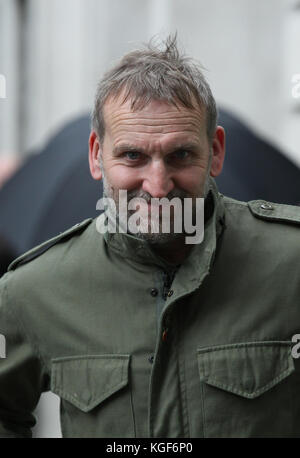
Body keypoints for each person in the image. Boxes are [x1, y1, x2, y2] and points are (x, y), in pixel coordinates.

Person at [0, 35, 300, 439]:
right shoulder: (30, 291)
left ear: (215, 151)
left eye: (179, 155)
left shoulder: (292, 263)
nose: (157, 186)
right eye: (132, 156)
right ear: (95, 155)